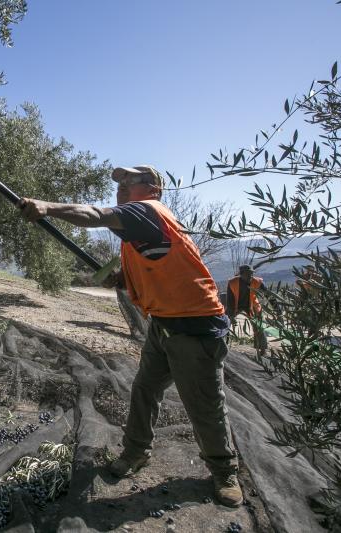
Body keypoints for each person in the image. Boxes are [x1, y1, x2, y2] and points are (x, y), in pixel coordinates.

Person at [19, 165, 242, 507]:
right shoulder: (141, 226)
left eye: (129, 181)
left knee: (205, 405)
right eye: (119, 183)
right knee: (144, 389)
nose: (121, 187)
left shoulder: (147, 212)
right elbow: (155, 266)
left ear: (152, 189)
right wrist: (123, 278)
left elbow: (93, 214)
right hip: (164, 326)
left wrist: (48, 207)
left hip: (195, 331)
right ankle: (137, 452)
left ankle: (224, 472)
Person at [226, 265, 268, 356]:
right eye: (248, 274)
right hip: (236, 305)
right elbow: (229, 300)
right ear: (241, 274)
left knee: (259, 324)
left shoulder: (257, 281)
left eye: (252, 273)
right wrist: (231, 315)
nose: (251, 276)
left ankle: (262, 349)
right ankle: (224, 344)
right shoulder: (232, 282)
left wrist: (277, 308)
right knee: (225, 322)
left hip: (252, 305)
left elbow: (269, 294)